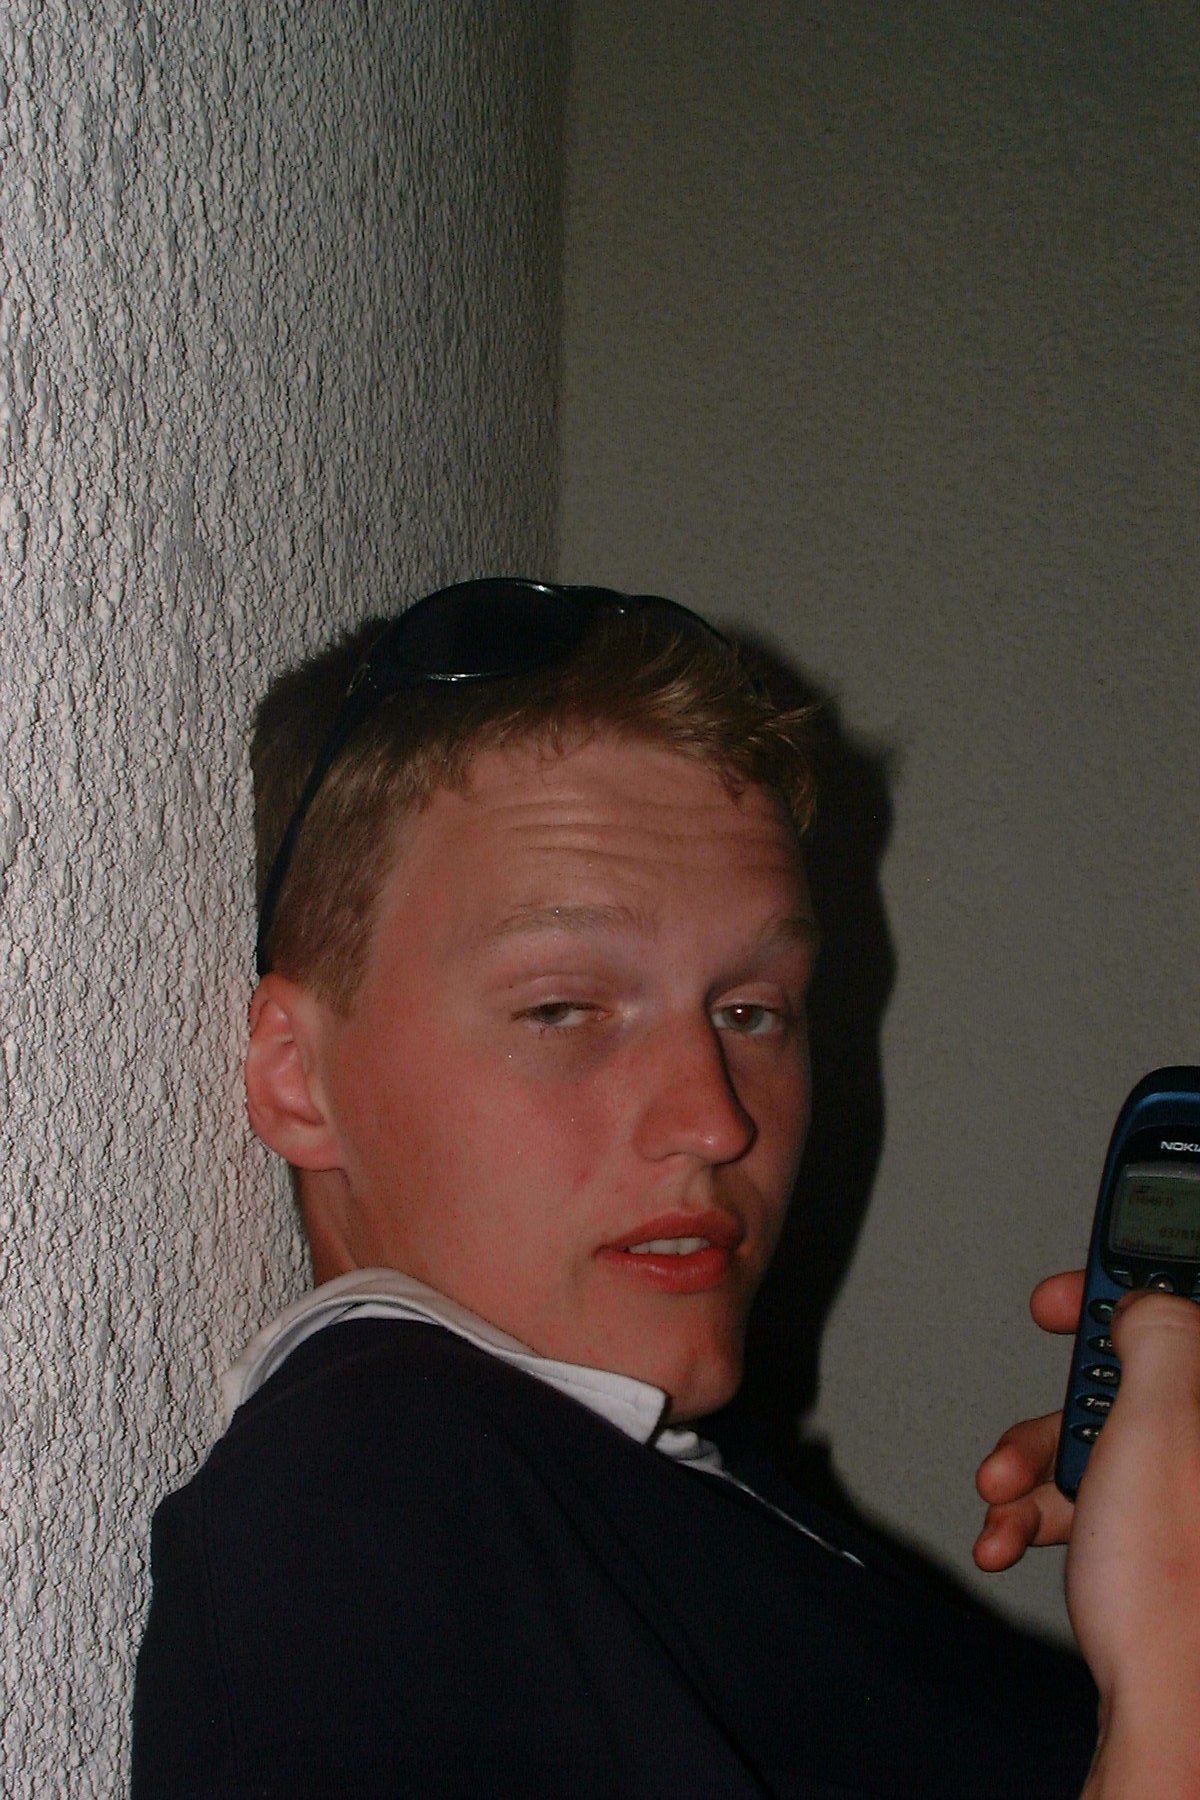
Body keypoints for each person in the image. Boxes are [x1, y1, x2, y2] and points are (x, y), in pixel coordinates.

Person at [131, 580, 1200, 1798]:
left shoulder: (628, 1485)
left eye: (751, 1012)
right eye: (563, 1008)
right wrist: (1174, 1673)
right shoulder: (366, 1503)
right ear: (298, 1080)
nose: (717, 1119)